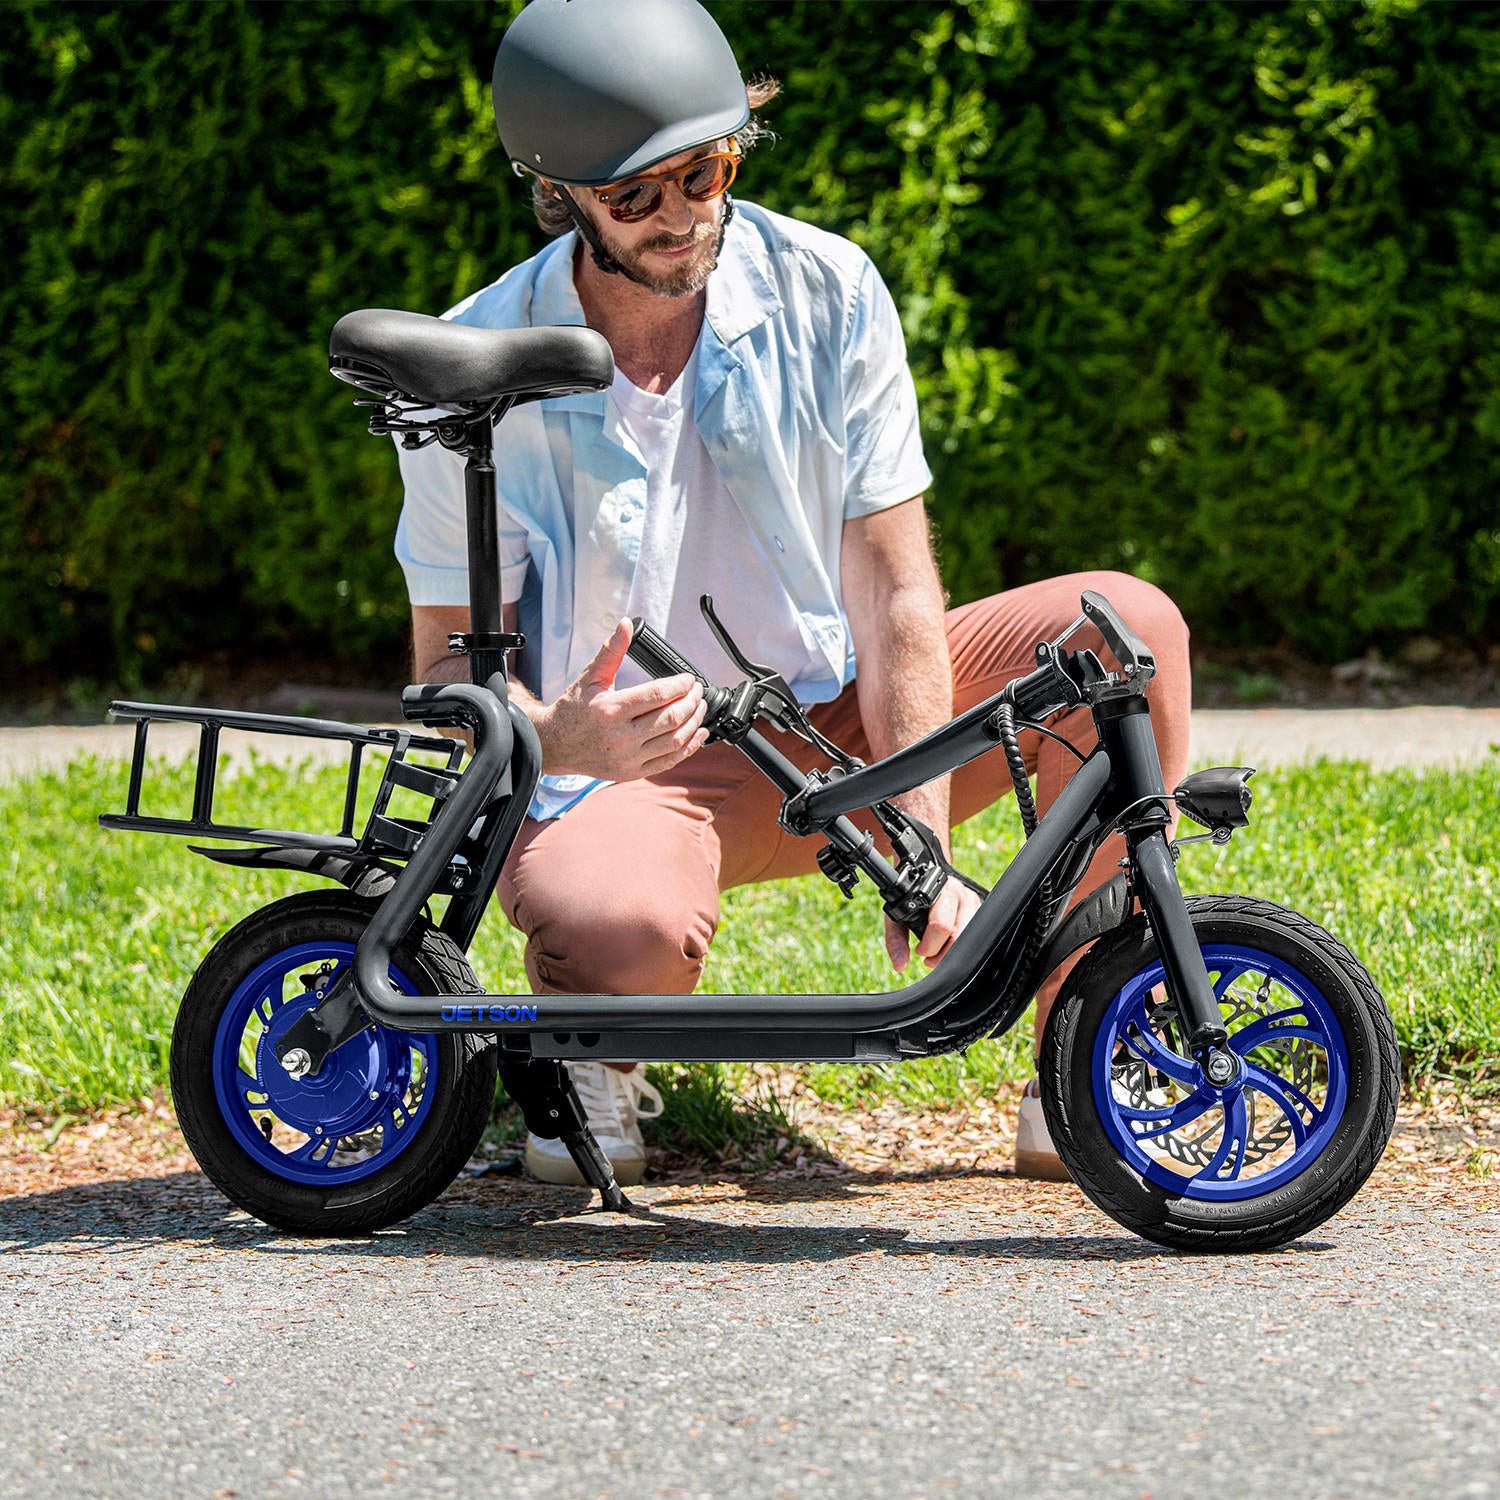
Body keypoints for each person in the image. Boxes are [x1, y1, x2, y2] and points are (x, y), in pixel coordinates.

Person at [393, 0, 1191, 1186]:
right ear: (558, 188)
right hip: (631, 761)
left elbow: (894, 582)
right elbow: (447, 672)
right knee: (618, 928)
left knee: (1127, 636)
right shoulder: (474, 355)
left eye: (705, 171)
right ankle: (588, 1057)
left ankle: (1086, 1053)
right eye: (636, 196)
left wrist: (916, 832)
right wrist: (561, 736)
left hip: (837, 722)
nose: (682, 218)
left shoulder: (829, 288)